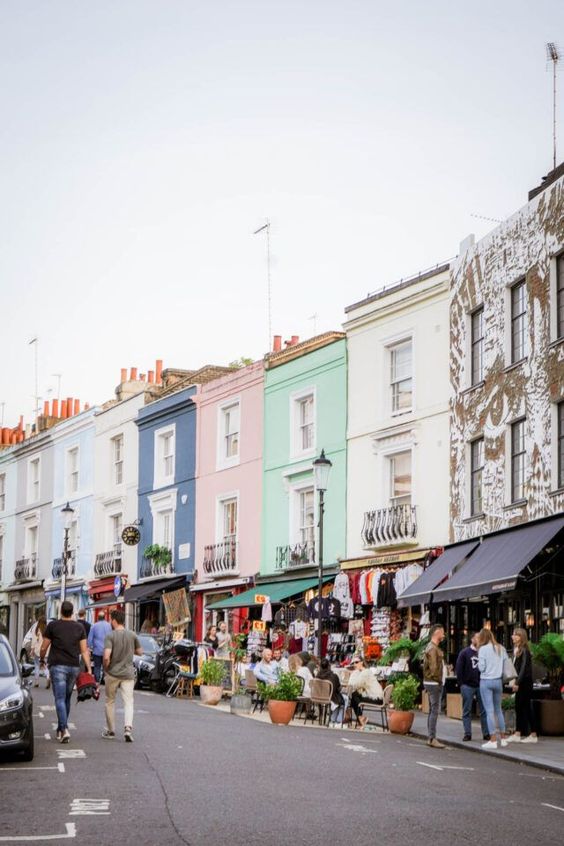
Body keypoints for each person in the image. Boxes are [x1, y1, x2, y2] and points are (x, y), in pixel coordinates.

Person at [40, 600, 92, 743]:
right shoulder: (79, 627)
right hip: (74, 667)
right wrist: (88, 668)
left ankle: (64, 728)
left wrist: (42, 659)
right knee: (66, 698)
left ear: (61, 611)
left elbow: (44, 647)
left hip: (58, 666)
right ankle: (60, 728)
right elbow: (84, 650)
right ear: (72, 612)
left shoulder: (53, 626)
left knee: (59, 699)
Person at [102, 610, 144, 742]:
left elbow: (106, 656)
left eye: (111, 619)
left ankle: (111, 730)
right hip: (128, 674)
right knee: (128, 702)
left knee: (110, 701)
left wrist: (106, 668)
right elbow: (140, 652)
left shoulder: (110, 636)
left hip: (113, 673)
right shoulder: (132, 635)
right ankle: (127, 728)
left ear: (114, 620)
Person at [455, 633, 490, 742]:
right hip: (467, 685)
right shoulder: (464, 653)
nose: (479, 640)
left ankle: (486, 733)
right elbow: (459, 669)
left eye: (480, 638)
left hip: (481, 684)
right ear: (472, 639)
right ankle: (467, 733)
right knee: (467, 710)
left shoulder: (483, 652)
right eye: (477, 638)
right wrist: (461, 684)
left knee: (484, 710)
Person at [477, 628, 508, 749]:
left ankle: (493, 740)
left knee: (489, 711)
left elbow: (481, 668)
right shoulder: (501, 648)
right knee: (498, 710)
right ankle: (503, 738)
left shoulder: (483, 650)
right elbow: (506, 664)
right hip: (498, 681)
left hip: (486, 681)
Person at [508, 628, 538, 744]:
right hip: (522, 682)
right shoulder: (518, 650)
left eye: (516, 635)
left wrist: (517, 683)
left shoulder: (524, 650)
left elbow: (523, 668)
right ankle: (518, 733)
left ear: (522, 637)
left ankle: (533, 734)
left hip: (525, 682)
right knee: (519, 707)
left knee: (526, 707)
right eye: (513, 634)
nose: (513, 636)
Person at [423, 624, 446, 748]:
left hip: (431, 682)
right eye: (442, 632)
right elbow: (434, 668)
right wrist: (439, 680)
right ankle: (432, 738)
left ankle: (431, 737)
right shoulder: (433, 649)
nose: (444, 634)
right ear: (436, 633)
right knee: (435, 710)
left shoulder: (432, 647)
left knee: (433, 710)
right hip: (433, 683)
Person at [348, 656, 384, 728]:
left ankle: (360, 719)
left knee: (353, 696)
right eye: (353, 663)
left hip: (377, 699)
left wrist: (353, 674)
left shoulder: (365, 672)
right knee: (354, 696)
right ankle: (360, 719)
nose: (355, 664)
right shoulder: (365, 672)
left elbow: (356, 685)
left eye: (357, 662)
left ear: (361, 662)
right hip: (377, 698)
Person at [317, 658, 346, 726]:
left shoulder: (317, 677)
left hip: (318, 697)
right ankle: (336, 720)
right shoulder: (333, 676)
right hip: (330, 697)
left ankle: (333, 720)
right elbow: (338, 688)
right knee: (344, 699)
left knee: (340, 699)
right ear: (329, 666)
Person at [87, 612, 112, 683]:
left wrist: (89, 647)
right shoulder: (109, 626)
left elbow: (90, 639)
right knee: (106, 667)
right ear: (105, 617)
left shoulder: (94, 626)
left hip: (97, 651)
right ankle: (106, 681)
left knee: (97, 667)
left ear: (98, 617)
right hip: (107, 651)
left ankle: (97, 683)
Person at [30, 617, 50, 689]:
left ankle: (37, 682)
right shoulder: (48, 630)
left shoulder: (36, 629)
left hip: (38, 651)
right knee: (45, 665)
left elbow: (34, 641)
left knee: (37, 665)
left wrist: (32, 650)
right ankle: (47, 676)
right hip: (46, 651)